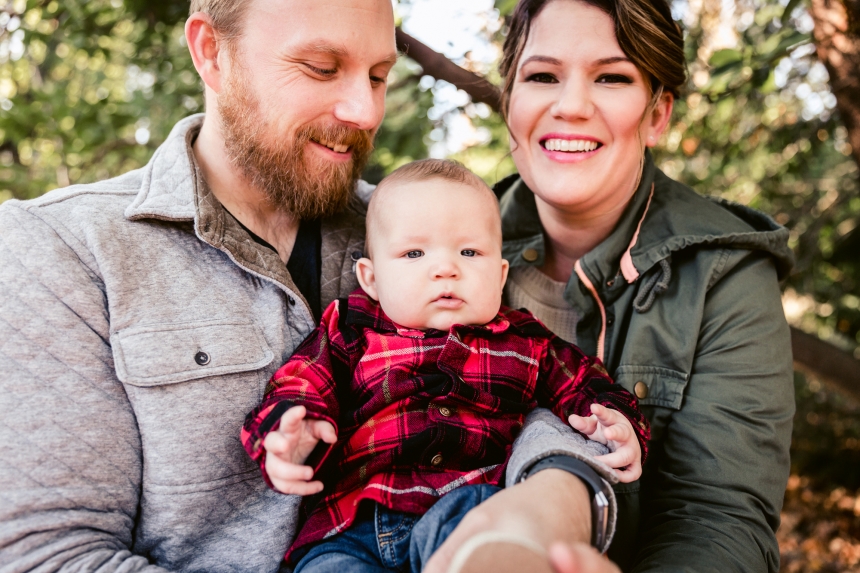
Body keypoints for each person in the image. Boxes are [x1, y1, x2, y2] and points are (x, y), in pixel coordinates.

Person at [0, 1, 622, 571]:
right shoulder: (61, 249)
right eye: (323, 68)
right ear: (212, 52)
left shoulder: (424, 228)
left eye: (379, 76)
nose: (366, 111)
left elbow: (535, 382)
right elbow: (48, 555)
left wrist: (553, 494)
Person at [426, 0, 795, 572]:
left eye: (612, 77)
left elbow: (716, 518)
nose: (570, 105)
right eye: (543, 76)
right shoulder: (428, 246)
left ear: (657, 114)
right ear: (510, 103)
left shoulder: (726, 273)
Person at [240, 159, 650, 572]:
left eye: (469, 252)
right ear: (371, 279)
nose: (446, 269)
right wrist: (288, 430)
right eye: (414, 252)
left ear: (500, 272)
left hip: (470, 506)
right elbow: (299, 384)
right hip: (352, 522)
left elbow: (586, 382)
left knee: (496, 549)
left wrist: (617, 421)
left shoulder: (525, 339)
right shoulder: (349, 329)